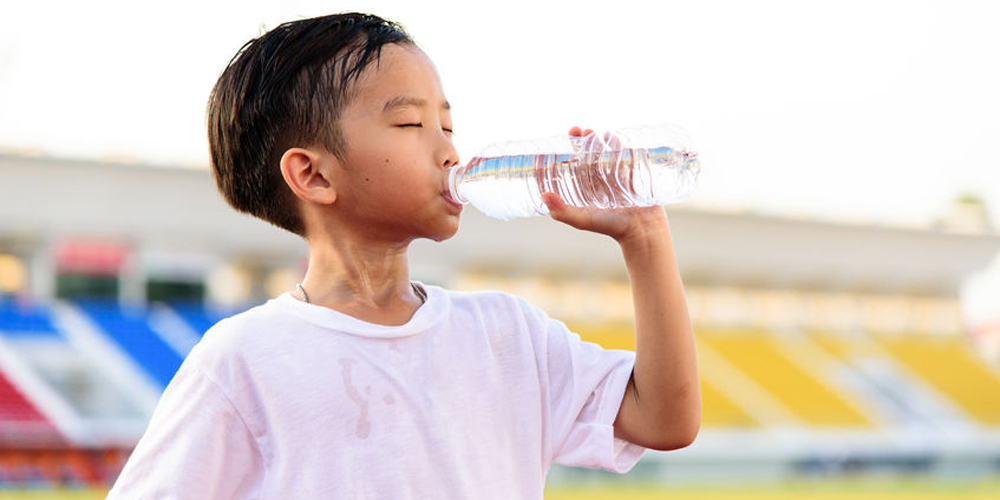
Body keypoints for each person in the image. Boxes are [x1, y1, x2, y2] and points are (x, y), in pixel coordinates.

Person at [106, 12, 699, 499]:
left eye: (447, 124)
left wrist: (644, 238)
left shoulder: (507, 335)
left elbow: (665, 420)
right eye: (411, 122)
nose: (449, 151)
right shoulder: (244, 360)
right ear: (311, 174)